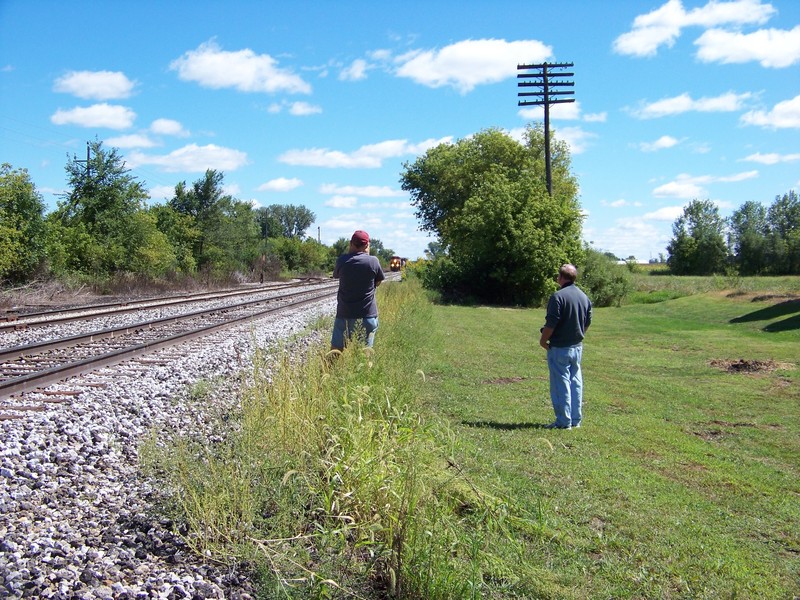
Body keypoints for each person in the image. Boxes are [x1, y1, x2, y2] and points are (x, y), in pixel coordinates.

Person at [539, 264, 592, 429]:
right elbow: (587, 321)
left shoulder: (558, 296)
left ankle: (563, 421)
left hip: (560, 348)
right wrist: (578, 334)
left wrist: (543, 340)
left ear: (560, 277)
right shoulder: (584, 297)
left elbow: (551, 323)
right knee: (575, 382)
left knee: (560, 383)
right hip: (577, 347)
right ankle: (575, 419)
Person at [330, 230, 385, 351]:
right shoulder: (374, 261)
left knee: (335, 352)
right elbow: (378, 282)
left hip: (344, 315)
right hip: (367, 315)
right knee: (364, 354)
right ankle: (363, 370)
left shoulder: (342, 260)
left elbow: (336, 275)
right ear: (367, 245)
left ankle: (329, 370)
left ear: (351, 243)